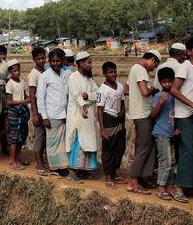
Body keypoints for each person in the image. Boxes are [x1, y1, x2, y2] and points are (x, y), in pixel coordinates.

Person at [170, 37, 193, 204]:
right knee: (188, 151)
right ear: (189, 52)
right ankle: (178, 187)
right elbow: (174, 90)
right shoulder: (184, 67)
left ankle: (190, 183)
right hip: (184, 115)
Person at [126, 49, 162, 194]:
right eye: (154, 65)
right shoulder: (141, 70)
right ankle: (133, 182)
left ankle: (142, 177)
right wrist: (154, 89)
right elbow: (144, 92)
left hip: (138, 113)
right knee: (143, 149)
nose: (153, 69)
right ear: (151, 60)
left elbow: (127, 89)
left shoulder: (134, 68)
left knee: (148, 147)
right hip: (143, 114)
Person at [66, 52, 100, 181]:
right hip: (78, 115)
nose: (91, 65)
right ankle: (73, 171)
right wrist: (84, 105)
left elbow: (98, 94)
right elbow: (76, 96)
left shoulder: (89, 79)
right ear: (81, 63)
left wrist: (88, 96)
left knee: (89, 141)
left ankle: (84, 170)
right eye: (89, 62)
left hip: (89, 116)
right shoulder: (73, 77)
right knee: (78, 142)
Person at [37, 48, 69, 176]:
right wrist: (44, 116)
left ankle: (62, 166)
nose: (55, 63)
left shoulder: (66, 74)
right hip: (51, 115)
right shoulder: (45, 76)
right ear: (49, 61)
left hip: (64, 114)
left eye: (58, 61)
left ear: (62, 61)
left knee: (63, 143)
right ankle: (54, 168)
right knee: (53, 143)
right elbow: (40, 97)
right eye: (53, 61)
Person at [97, 61, 126, 189]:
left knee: (120, 148)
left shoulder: (119, 86)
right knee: (108, 149)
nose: (113, 74)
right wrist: (102, 129)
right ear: (104, 73)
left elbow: (123, 102)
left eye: (114, 71)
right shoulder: (102, 90)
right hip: (108, 120)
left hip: (119, 120)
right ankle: (108, 175)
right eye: (110, 72)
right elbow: (99, 110)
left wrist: (123, 112)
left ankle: (114, 172)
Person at [150, 66, 177, 200]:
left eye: (169, 81)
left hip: (171, 133)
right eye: (164, 82)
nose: (167, 84)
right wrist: (160, 102)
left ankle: (170, 185)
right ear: (160, 83)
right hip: (161, 133)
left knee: (172, 161)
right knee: (165, 160)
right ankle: (161, 187)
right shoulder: (159, 96)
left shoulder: (175, 95)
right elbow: (153, 115)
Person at [28, 47, 50, 176]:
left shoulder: (46, 71)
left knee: (45, 138)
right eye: (39, 59)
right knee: (40, 137)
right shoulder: (33, 74)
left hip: (47, 109)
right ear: (34, 60)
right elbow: (32, 95)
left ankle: (41, 161)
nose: (42, 60)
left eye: (43, 58)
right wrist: (35, 113)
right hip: (39, 110)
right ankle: (39, 165)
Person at [5, 59, 30, 170]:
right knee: (14, 137)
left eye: (18, 70)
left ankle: (17, 159)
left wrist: (28, 99)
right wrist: (23, 102)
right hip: (14, 113)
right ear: (10, 72)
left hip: (22, 112)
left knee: (21, 136)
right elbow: (9, 102)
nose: (17, 73)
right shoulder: (10, 84)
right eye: (14, 71)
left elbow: (25, 95)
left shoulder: (22, 82)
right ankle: (13, 161)